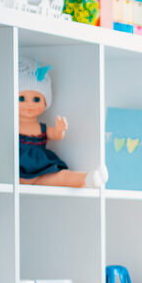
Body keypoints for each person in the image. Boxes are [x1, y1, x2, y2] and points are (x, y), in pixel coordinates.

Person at [18, 57, 107, 188]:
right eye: (21, 98)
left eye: (36, 99)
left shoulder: (42, 128)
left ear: (45, 103)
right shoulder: (12, 126)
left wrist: (60, 130)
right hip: (17, 170)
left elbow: (55, 135)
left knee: (61, 176)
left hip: (42, 168)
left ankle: (87, 178)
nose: (29, 104)